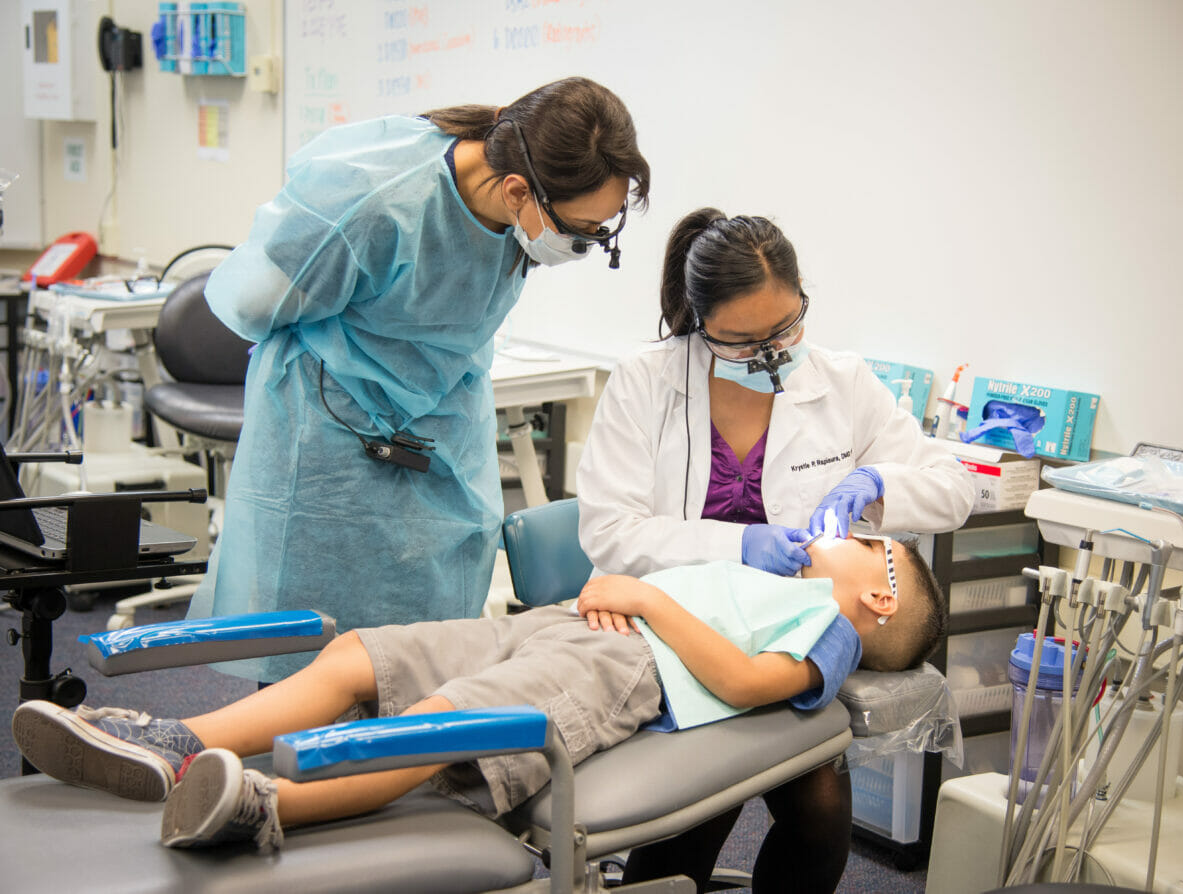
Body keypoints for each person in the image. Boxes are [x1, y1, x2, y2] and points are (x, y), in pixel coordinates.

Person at [12, 535, 944, 853]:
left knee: (440, 729)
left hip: (624, 668)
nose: (847, 533)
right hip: (561, 624)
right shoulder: (784, 578)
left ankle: (264, 806)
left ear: (879, 592)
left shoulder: (825, 628)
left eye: (871, 540)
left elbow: (745, 681)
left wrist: (647, 596)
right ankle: (176, 738)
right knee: (368, 655)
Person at [187, 77, 651, 683]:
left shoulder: (518, 216)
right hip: (330, 427)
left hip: (444, 422)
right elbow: (253, 303)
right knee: (314, 629)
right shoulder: (375, 197)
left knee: (434, 628)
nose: (586, 243)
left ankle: (407, 753)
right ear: (517, 191)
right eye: (582, 230)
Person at [573, 208, 976, 892]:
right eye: (740, 340)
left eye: (784, 329)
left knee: (822, 809)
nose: (768, 353)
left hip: (775, 642)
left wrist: (878, 480)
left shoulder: (842, 383)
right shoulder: (647, 382)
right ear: (698, 321)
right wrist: (739, 543)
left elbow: (956, 487)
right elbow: (610, 532)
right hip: (668, 631)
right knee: (700, 805)